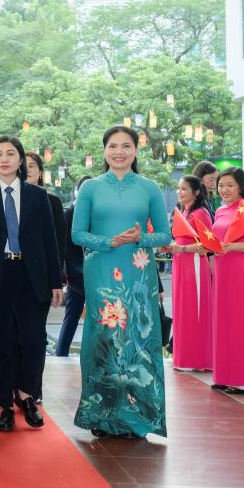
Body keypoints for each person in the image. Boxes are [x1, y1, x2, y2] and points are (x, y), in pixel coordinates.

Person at [71, 126, 171, 439]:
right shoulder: (90, 188)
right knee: (104, 338)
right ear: (104, 151)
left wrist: (142, 237)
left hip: (138, 271)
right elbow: (77, 234)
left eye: (126, 146)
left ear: (136, 151)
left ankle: (136, 416)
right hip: (101, 267)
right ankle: (101, 414)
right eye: (113, 146)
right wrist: (109, 241)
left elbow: (165, 236)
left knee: (139, 339)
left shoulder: (149, 187)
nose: (119, 151)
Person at [0, 138, 62, 432]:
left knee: (34, 340)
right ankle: (5, 406)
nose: (4, 159)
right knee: (0, 342)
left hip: (31, 276)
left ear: (21, 160)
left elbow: (50, 241)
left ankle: (27, 396)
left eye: (11, 153)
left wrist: (55, 281)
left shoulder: (37, 195)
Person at [209, 168, 244, 393]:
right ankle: (225, 374)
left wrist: (231, 246)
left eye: (230, 185)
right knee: (224, 322)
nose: (224, 190)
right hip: (222, 270)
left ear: (241, 186)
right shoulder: (221, 210)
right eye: (221, 185)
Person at [166, 175, 214, 372]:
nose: (179, 192)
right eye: (178, 188)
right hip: (180, 263)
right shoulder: (183, 213)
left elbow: (207, 244)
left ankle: (198, 358)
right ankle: (184, 357)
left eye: (184, 189)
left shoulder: (201, 213)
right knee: (182, 310)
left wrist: (181, 249)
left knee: (195, 310)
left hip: (194, 264)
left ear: (196, 192)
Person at [56, 176, 91, 356]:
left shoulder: (95, 213)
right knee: (72, 317)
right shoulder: (69, 212)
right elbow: (63, 247)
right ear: (77, 190)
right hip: (76, 273)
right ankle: (61, 353)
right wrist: (68, 273)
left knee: (96, 317)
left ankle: (92, 354)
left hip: (94, 272)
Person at [24, 152, 68, 274]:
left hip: (45, 267)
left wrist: (57, 271)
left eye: (32, 166)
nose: (27, 170)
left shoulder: (53, 202)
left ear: (40, 172)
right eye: (23, 166)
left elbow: (60, 241)